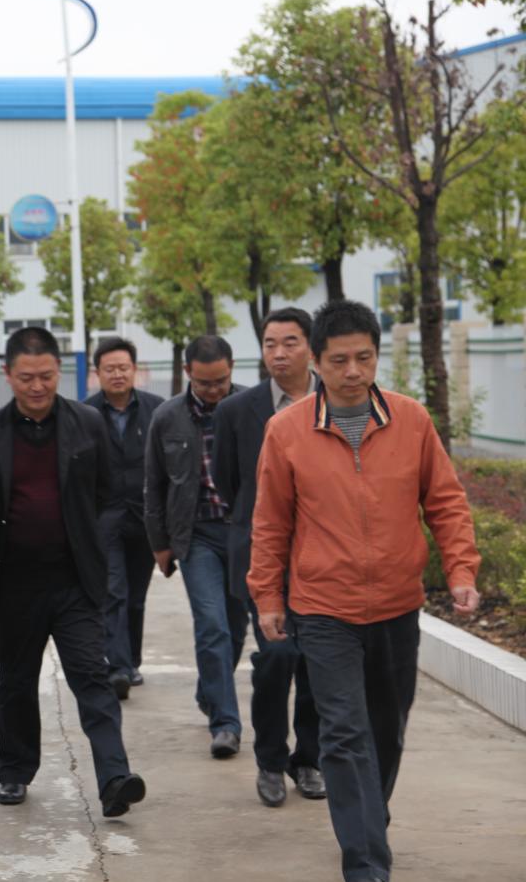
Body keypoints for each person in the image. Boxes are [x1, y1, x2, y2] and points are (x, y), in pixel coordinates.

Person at [249, 300, 480, 882]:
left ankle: (368, 816)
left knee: (386, 730)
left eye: (364, 358)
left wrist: (461, 571)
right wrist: (268, 597)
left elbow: (446, 503)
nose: (353, 371)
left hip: (398, 605)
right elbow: (271, 523)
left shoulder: (412, 421)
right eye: (339, 361)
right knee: (344, 733)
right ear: (317, 362)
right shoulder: (286, 431)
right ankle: (366, 861)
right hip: (324, 608)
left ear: (376, 357)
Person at [0, 327, 146, 816]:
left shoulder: (87, 423)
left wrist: (93, 543)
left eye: (46, 376)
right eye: (26, 377)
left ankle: (114, 778)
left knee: (92, 677)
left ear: (59, 372)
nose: (37, 386)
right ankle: (14, 771)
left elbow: (108, 495)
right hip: (14, 583)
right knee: (16, 681)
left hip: (74, 581)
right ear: (8, 375)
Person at [211, 308, 325, 808]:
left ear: (311, 347)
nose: (278, 354)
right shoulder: (237, 411)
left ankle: (309, 759)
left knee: (318, 663)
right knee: (276, 658)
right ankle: (271, 761)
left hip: (326, 557)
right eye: (269, 344)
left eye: (290, 343)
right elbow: (231, 484)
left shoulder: (338, 401)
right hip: (264, 556)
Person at [144, 335, 248, 759]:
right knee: (212, 625)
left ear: (231, 368)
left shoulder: (249, 408)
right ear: (188, 373)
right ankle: (225, 724)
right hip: (196, 535)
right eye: (205, 383)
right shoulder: (167, 417)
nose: (214, 390)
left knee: (236, 627)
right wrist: (160, 544)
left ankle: (210, 690)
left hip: (244, 533)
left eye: (221, 380)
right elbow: (154, 484)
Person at [84, 337, 164, 699]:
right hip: (104, 518)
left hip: (145, 517)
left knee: (135, 597)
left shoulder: (156, 410)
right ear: (97, 373)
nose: (117, 374)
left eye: (123, 368)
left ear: (135, 370)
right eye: (109, 369)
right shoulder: (85, 414)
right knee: (113, 591)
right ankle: (117, 667)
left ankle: (130, 661)